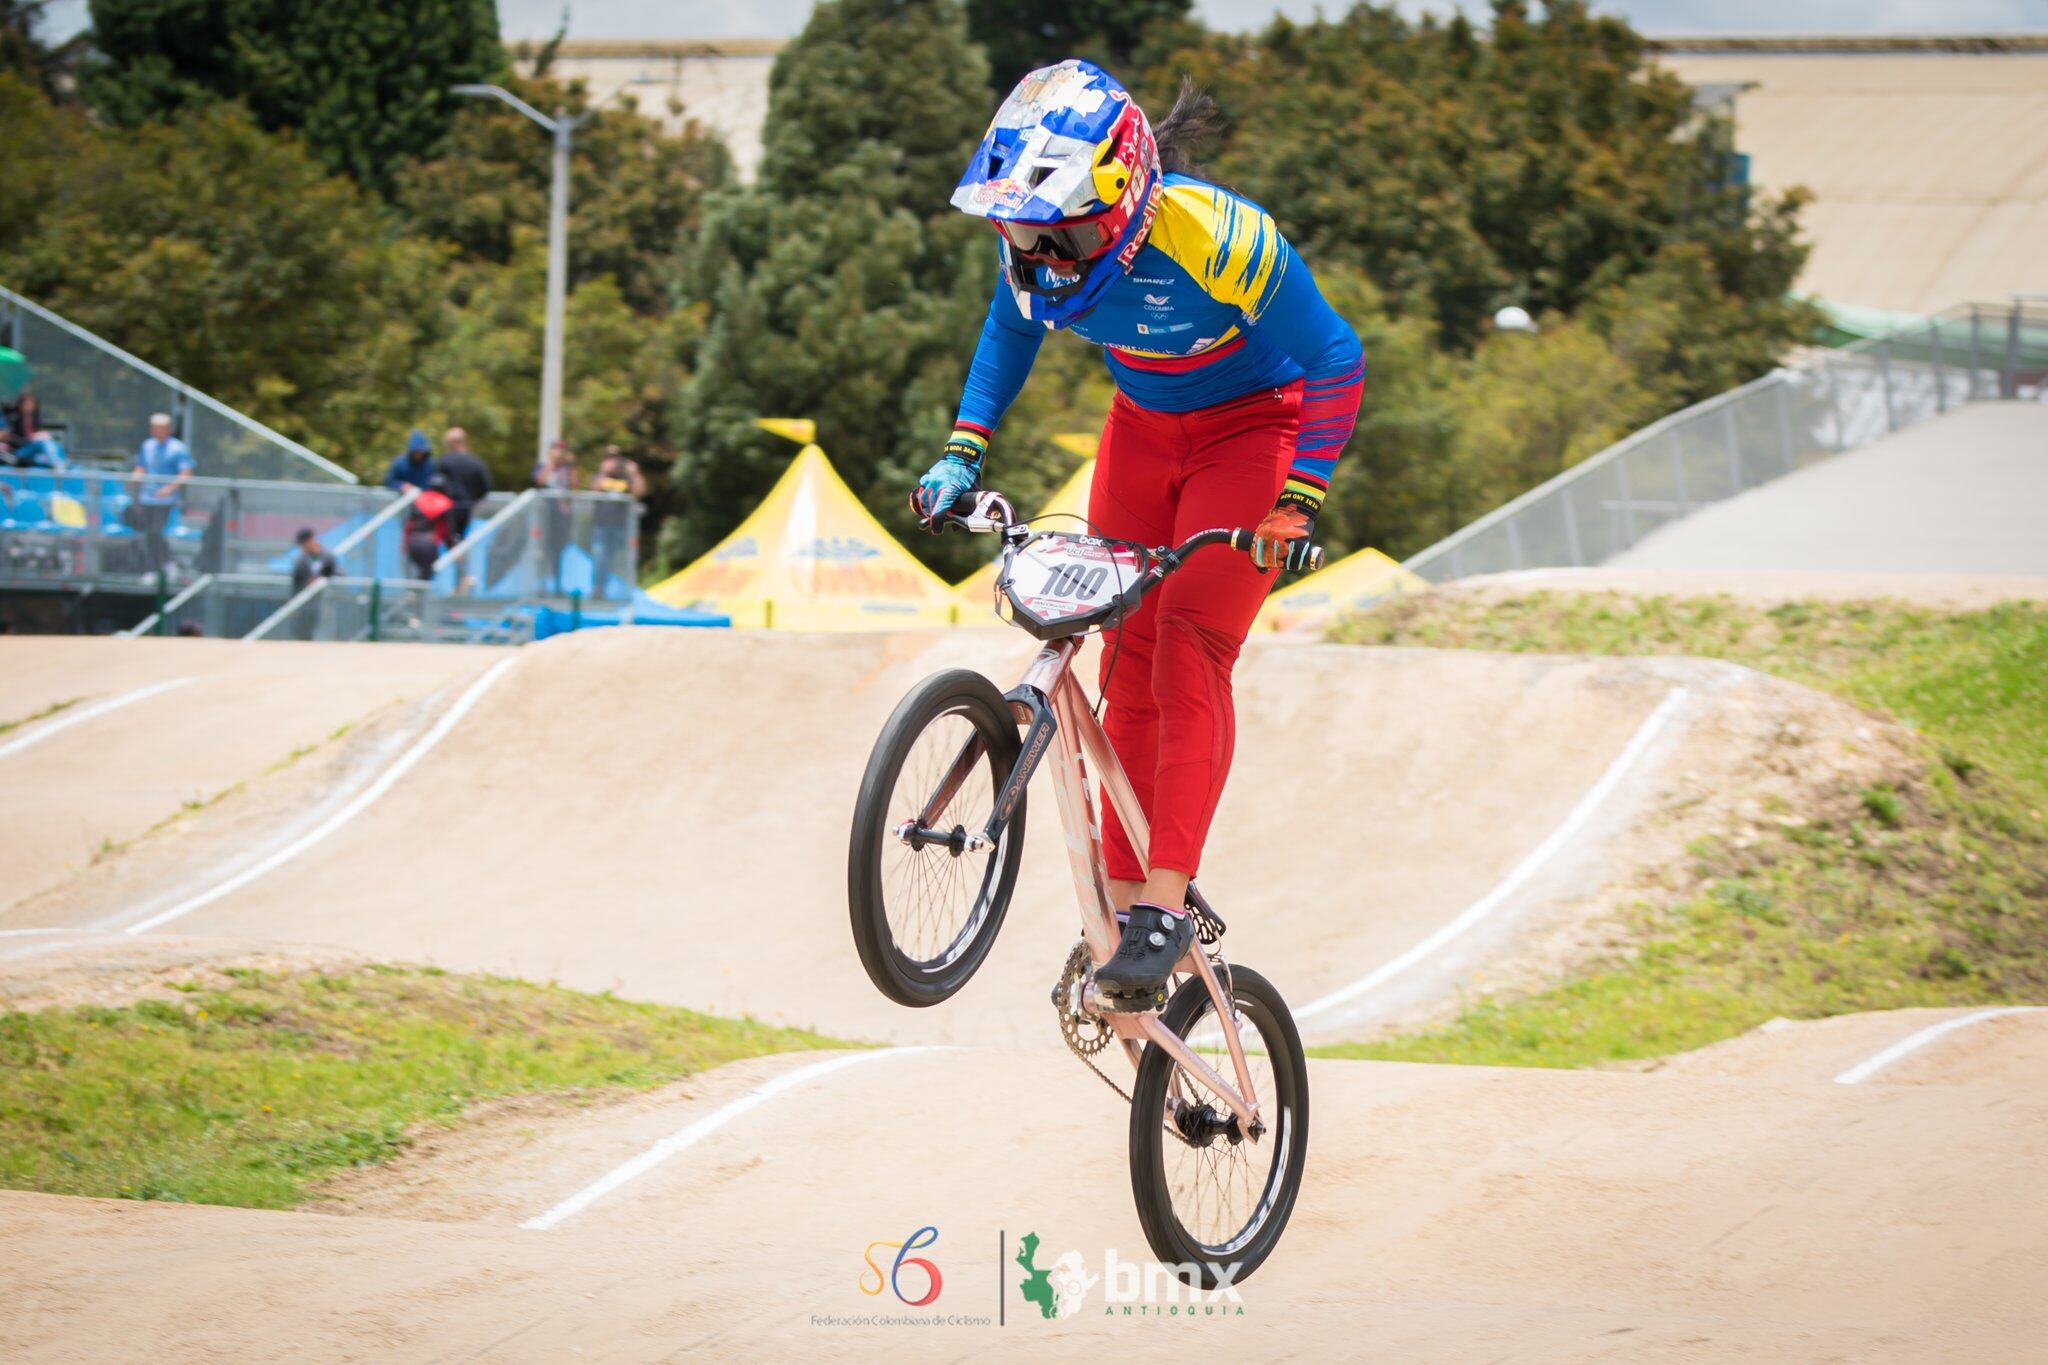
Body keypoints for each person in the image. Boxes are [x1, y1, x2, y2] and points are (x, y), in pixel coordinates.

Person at [915, 62, 1364, 1006]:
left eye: (1066, 233)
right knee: (1127, 656)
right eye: (1025, 234)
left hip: (1254, 429)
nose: (1044, 256)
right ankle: (1120, 912)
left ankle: (1167, 902)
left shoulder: (1219, 241)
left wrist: (1301, 498)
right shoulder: (1033, 250)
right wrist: (964, 449)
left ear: (1125, 201)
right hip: (1143, 431)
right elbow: (1011, 331)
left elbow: (1336, 357)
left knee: (1189, 651)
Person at [133, 413, 196, 581]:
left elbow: (186, 472)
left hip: (165, 500)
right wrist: (136, 477)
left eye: (160, 428)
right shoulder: (147, 446)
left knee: (156, 531)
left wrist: (168, 488)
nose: (156, 431)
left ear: (168, 429)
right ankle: (154, 568)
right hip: (147, 497)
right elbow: (140, 466)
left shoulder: (178, 448)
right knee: (148, 533)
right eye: (154, 428)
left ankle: (167, 564)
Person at [589, 444, 645, 591]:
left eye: (615, 459)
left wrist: (634, 473)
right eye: (609, 458)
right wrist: (604, 471)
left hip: (621, 525)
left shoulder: (626, 477)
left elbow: (640, 491)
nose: (613, 462)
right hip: (601, 524)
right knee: (600, 556)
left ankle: (616, 591)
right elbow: (593, 489)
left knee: (616, 560)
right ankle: (598, 587)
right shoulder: (600, 475)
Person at [533, 439, 578, 594]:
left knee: (558, 551)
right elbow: (540, 480)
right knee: (542, 550)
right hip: (546, 515)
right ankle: (540, 585)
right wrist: (552, 463)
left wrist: (570, 465)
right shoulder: (543, 466)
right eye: (556, 449)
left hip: (562, 517)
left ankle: (557, 586)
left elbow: (575, 484)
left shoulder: (567, 469)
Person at [436, 427, 492, 541]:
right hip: (470, 509)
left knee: (449, 542)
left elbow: (435, 484)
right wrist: (474, 500)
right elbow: (486, 486)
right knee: (465, 542)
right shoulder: (476, 462)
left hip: (447, 510)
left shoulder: (444, 462)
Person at [404, 475, 457, 580]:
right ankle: (415, 594)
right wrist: (452, 548)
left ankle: (413, 593)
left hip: (412, 542)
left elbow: (409, 524)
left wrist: (405, 543)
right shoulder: (445, 502)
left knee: (421, 573)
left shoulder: (419, 499)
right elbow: (448, 530)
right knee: (426, 574)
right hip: (428, 543)